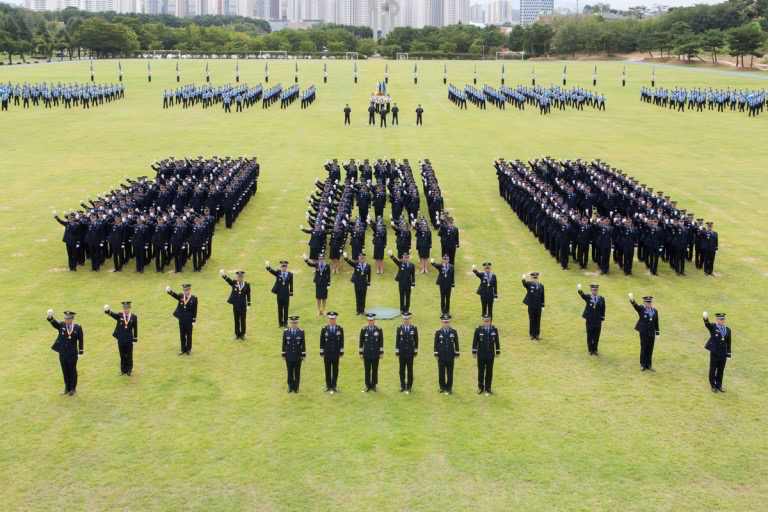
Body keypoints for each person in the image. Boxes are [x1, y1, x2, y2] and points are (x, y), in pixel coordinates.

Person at [47, 310, 84, 396]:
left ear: (72, 318)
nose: (66, 320)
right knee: (65, 370)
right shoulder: (62, 325)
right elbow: (54, 323)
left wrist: (80, 351)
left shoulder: (77, 327)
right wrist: (50, 317)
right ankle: (67, 388)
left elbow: (81, 339)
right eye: (65, 318)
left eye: (68, 319)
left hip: (72, 354)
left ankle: (73, 388)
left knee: (72, 370)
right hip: (63, 353)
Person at [103, 302, 138, 376]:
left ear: (129, 308)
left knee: (129, 355)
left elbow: (135, 328)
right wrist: (107, 310)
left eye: (127, 308)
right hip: (121, 339)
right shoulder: (120, 315)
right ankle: (123, 370)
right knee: (122, 355)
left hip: (129, 339)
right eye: (124, 308)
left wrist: (135, 339)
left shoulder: (133, 317)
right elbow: (113, 315)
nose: (125, 310)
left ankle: (129, 370)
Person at [629, 293, 660, 371]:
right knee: (644, 348)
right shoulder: (642, 309)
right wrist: (632, 300)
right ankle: (642, 364)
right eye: (647, 302)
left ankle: (649, 365)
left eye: (650, 302)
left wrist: (657, 332)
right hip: (644, 332)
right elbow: (636, 306)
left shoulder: (655, 311)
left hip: (651, 333)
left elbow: (656, 322)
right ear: (644, 302)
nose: (649, 303)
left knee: (650, 349)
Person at [703, 312, 731, 392]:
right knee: (713, 369)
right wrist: (705, 318)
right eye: (720, 319)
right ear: (717, 319)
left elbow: (729, 342)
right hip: (715, 352)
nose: (721, 321)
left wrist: (728, 354)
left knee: (721, 370)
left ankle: (719, 385)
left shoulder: (728, 330)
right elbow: (707, 325)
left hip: (723, 353)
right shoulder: (713, 327)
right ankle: (713, 386)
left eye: (723, 319)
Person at [166, 284, 197, 355]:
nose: (185, 291)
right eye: (184, 290)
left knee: (189, 335)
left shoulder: (194, 298)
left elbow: (195, 310)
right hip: (182, 319)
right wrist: (169, 291)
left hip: (189, 320)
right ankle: (183, 349)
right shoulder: (181, 296)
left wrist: (194, 320)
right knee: (182, 334)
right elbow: (175, 295)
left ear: (189, 290)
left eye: (186, 290)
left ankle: (188, 349)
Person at [472, 314, 500, 395]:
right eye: (485, 321)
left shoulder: (494, 329)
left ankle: (488, 387)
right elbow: (475, 341)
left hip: (490, 354)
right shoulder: (478, 329)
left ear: (490, 321)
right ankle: (480, 387)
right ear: (483, 321)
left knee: (489, 371)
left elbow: (497, 341)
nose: (486, 322)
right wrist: (474, 352)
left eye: (488, 321)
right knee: (481, 371)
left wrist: (497, 351)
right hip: (481, 354)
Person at [220, 269, 251, 340]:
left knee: (243, 320)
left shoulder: (246, 284)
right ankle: (237, 334)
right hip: (236, 305)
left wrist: (249, 304)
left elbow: (248, 294)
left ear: (242, 277)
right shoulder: (234, 283)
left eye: (241, 277)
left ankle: (243, 334)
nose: (239, 278)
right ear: (237, 277)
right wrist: (223, 275)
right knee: (236, 319)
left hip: (243, 305)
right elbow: (228, 280)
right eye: (238, 277)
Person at [434, 314, 459, 395]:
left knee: (450, 372)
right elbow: (436, 344)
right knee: (441, 372)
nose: (446, 324)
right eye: (444, 322)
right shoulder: (438, 332)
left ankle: (449, 388)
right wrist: (436, 353)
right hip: (441, 356)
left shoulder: (453, 331)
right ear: (442, 322)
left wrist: (457, 352)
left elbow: (456, 343)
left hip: (450, 356)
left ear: (449, 322)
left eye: (447, 322)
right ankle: (442, 387)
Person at [577, 283, 605, 355]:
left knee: (596, 335)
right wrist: (580, 290)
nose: (595, 291)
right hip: (590, 320)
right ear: (591, 290)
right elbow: (583, 296)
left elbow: (603, 309)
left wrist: (602, 319)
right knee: (590, 335)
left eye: (596, 290)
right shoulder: (589, 297)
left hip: (597, 320)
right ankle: (590, 350)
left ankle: (595, 349)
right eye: (593, 290)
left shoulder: (601, 298)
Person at [320, 312, 344, 392]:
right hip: (327, 353)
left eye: (333, 319)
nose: (332, 320)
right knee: (327, 369)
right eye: (330, 319)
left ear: (335, 319)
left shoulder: (339, 328)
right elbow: (322, 341)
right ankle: (328, 384)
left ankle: (334, 384)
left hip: (336, 353)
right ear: (328, 319)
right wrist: (322, 352)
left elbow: (341, 341)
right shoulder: (324, 329)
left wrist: (341, 352)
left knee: (335, 369)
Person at [359, 313, 384, 392]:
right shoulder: (363, 330)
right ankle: (367, 385)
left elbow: (381, 342)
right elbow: (361, 342)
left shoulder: (379, 330)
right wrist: (361, 352)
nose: (371, 322)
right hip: (366, 354)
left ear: (374, 320)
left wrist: (381, 352)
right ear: (367, 321)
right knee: (367, 369)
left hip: (375, 354)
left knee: (375, 369)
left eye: (372, 320)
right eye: (369, 320)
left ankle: (373, 385)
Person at [395, 312, 419, 393]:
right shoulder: (399, 328)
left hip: (410, 353)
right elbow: (397, 340)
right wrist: (397, 351)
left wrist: (415, 351)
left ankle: (409, 386)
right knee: (401, 370)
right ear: (402, 319)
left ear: (410, 319)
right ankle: (402, 385)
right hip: (402, 353)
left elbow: (416, 340)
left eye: (407, 318)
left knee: (410, 370)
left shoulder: (414, 328)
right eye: (405, 319)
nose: (406, 320)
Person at [282, 316, 306, 393]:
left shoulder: (301, 332)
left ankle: (296, 387)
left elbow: (303, 344)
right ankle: (290, 386)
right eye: (292, 323)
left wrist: (303, 354)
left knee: (297, 372)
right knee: (289, 372)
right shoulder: (286, 332)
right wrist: (283, 354)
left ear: (297, 323)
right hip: (289, 356)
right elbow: (284, 344)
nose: (294, 324)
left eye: (295, 323)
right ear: (290, 323)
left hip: (298, 356)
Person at [266, 260, 293, 328]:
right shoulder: (278, 273)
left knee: (286, 309)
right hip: (279, 294)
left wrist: (291, 293)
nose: (282, 267)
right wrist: (268, 267)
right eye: (281, 266)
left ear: (286, 267)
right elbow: (272, 272)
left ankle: (285, 323)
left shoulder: (290, 274)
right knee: (280, 308)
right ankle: (280, 323)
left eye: (284, 266)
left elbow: (291, 284)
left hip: (286, 294)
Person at [521, 272, 544, 340]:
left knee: (537, 320)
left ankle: (537, 334)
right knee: (532, 319)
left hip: (538, 306)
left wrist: (543, 305)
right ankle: (531, 334)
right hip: (531, 305)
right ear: (531, 278)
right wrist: (524, 276)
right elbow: (524, 283)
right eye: (534, 278)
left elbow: (542, 296)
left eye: (536, 278)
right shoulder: (529, 284)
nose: (535, 279)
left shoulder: (541, 286)